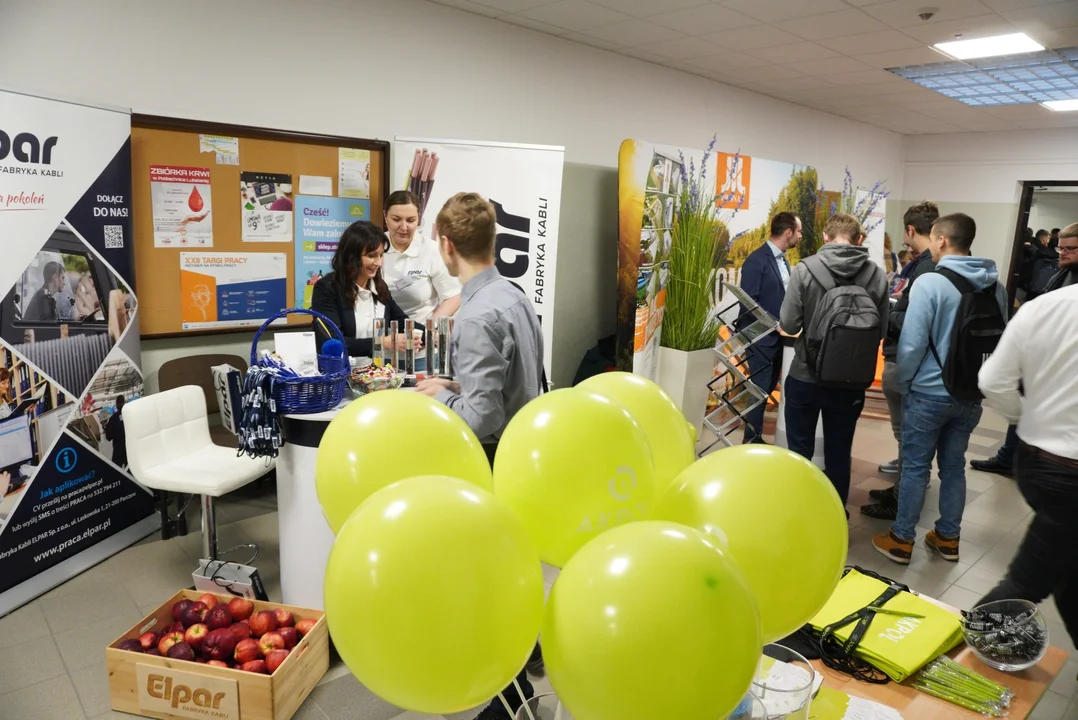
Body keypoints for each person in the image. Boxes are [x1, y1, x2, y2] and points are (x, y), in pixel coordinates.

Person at [415, 192, 544, 720]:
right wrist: (455, 383)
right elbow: (512, 381)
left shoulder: (472, 316)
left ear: (447, 247)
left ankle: (508, 693)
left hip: (493, 456)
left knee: (489, 576)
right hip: (525, 450)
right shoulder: (513, 297)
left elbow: (481, 418)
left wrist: (441, 397)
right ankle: (527, 654)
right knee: (515, 561)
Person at [873, 213, 1007, 565]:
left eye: (933, 239)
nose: (931, 245)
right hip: (969, 394)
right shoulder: (996, 285)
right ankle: (948, 538)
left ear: (942, 240)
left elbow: (913, 344)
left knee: (916, 467)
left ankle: (901, 540)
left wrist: (905, 382)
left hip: (929, 394)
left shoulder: (931, 283)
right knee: (953, 468)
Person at [975, 282, 1078, 648]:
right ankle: (962, 656)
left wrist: (1026, 418)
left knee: (1063, 564)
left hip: (1037, 462)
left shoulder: (1045, 306)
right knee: (1027, 582)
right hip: (1071, 478)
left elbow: (992, 379)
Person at [779, 213, 888, 508]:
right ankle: (835, 516)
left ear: (825, 238)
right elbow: (883, 330)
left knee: (799, 450)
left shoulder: (805, 270)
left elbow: (788, 324)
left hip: (805, 375)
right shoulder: (877, 275)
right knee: (840, 451)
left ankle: (798, 513)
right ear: (859, 239)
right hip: (850, 381)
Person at [969, 221, 1078, 476]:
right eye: (1060, 248)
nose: (1062, 253)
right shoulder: (1060, 276)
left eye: (1070, 249)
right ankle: (1008, 457)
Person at [863, 201, 940, 519]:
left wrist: (889, 312)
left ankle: (902, 501)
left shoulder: (924, 268)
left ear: (910, 230)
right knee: (907, 434)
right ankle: (902, 489)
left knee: (907, 435)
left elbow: (909, 319)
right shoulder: (929, 265)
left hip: (907, 361)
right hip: (917, 361)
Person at [310, 221, 416, 358]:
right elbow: (332, 343)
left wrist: (432, 335)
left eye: (381, 255)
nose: (378, 263)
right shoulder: (327, 288)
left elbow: (402, 322)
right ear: (351, 256)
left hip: (375, 375)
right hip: (341, 376)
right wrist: (381, 342)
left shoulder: (379, 286)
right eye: (371, 256)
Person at [737, 212, 799, 443]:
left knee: (767, 389)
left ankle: (755, 437)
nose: (801, 236)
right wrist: (774, 324)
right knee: (758, 392)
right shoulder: (756, 260)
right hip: (760, 338)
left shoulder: (783, 260)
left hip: (778, 338)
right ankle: (751, 440)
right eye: (799, 231)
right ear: (788, 232)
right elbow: (748, 301)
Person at [381, 190, 461, 324]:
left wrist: (430, 328)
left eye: (411, 220)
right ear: (385, 216)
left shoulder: (432, 250)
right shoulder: (374, 247)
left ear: (418, 219)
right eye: (396, 219)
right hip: (381, 334)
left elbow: (452, 296)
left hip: (419, 335)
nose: (404, 227)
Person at [1027, 229, 1058, 300]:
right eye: (1048, 239)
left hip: (1030, 286)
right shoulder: (1042, 252)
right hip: (1035, 288)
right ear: (1044, 239)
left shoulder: (1032, 247)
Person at [105, 396, 127, 469]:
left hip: (118, 451)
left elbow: (108, 437)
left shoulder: (113, 419)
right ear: (124, 403)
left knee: (117, 471)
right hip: (130, 449)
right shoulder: (131, 416)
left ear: (116, 404)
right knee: (132, 472)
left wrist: (105, 427)